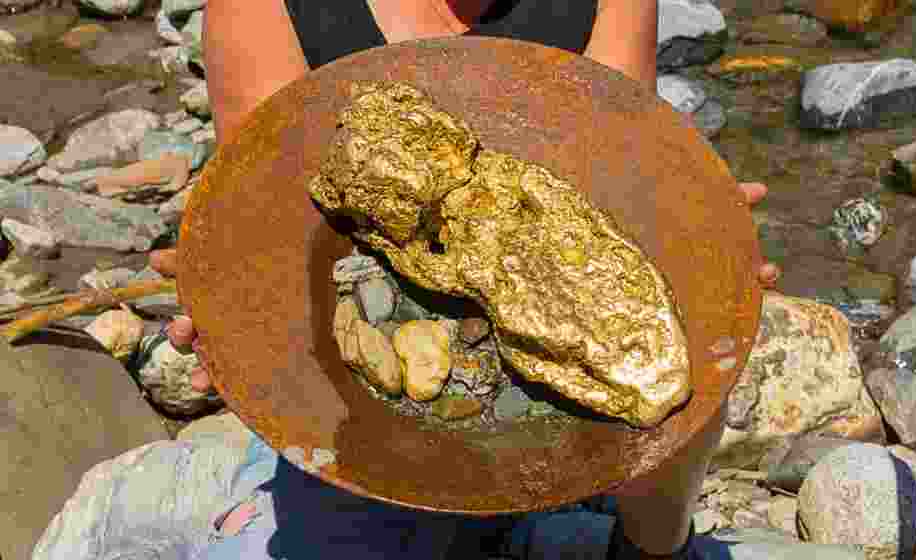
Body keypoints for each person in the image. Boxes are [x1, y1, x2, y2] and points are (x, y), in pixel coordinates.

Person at [43, 1, 780, 558]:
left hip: (566, 438)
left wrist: (696, 243)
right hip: (358, 435)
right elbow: (271, 217)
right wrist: (228, 293)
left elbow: (616, 168)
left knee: (685, 388)